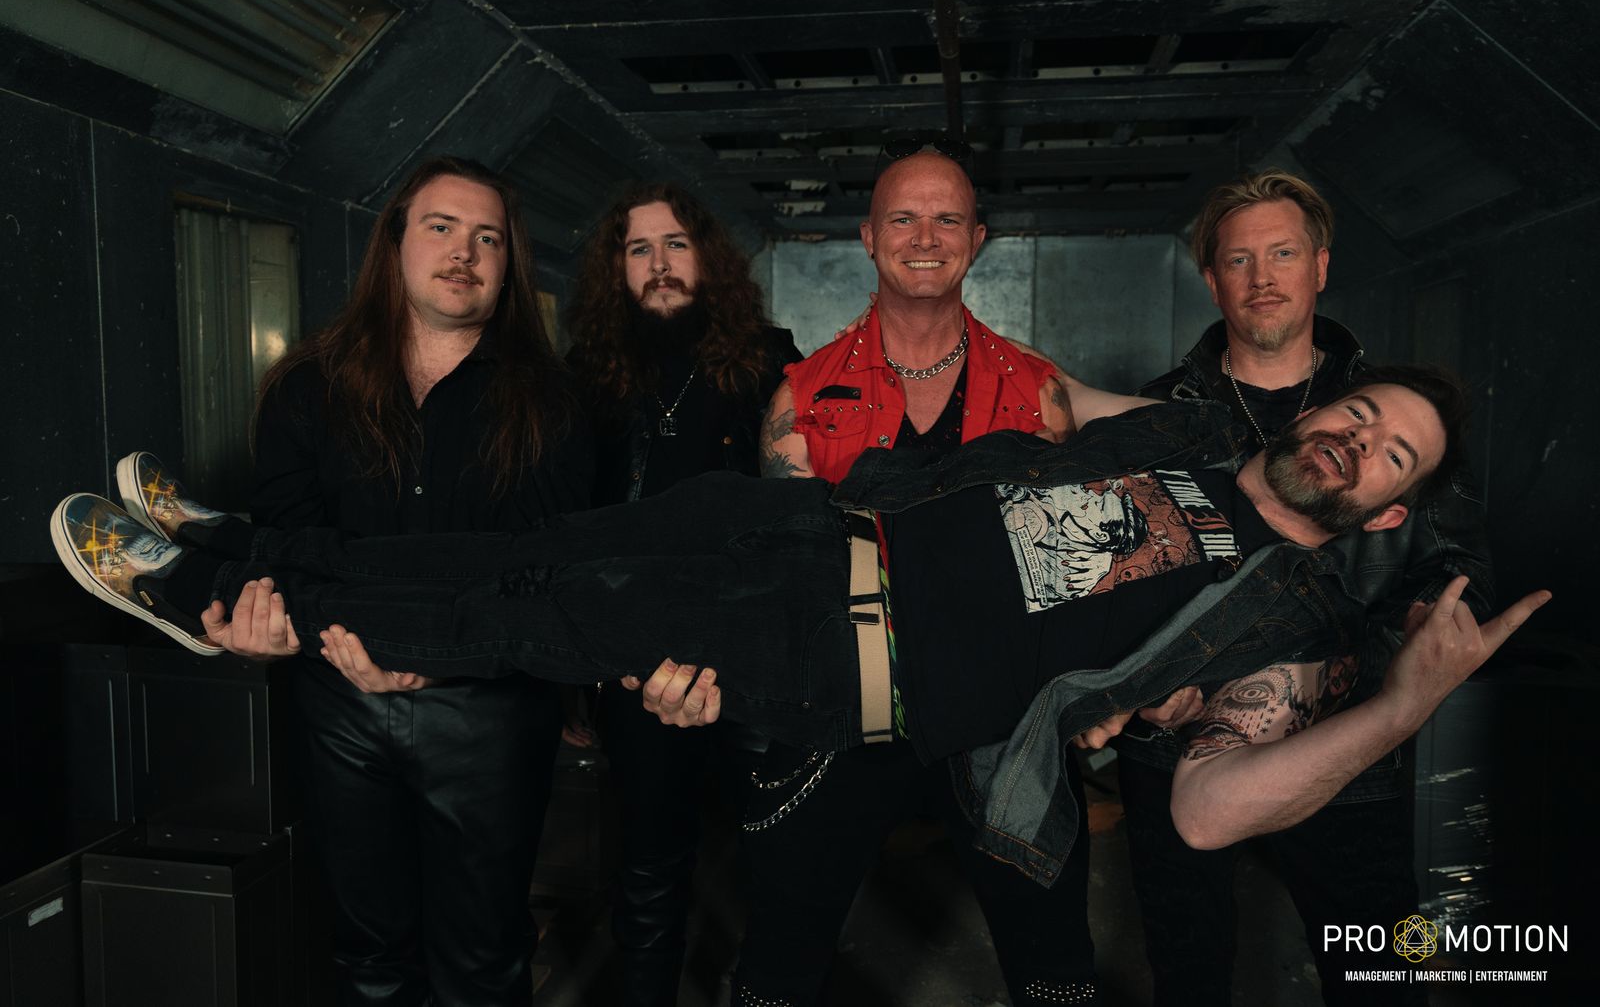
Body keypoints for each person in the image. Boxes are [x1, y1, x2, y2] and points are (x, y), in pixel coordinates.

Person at [52, 372, 1546, 911]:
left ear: (1387, 508)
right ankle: (246, 540)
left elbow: (1213, 810)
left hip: (837, 656)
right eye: (1361, 413)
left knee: (517, 616)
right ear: (1318, 408)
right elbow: (1041, 395)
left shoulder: (1293, 621)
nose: (1357, 441)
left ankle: (198, 602)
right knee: (513, 548)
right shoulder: (1192, 431)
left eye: (1393, 455)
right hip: (804, 524)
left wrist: (1406, 702)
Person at [742, 140, 1156, 1007]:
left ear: (976, 239)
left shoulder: (1038, 394)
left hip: (1003, 718)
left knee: (1055, 967)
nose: (925, 237)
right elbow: (783, 586)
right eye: (903, 217)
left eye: (947, 218)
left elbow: (1075, 570)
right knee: (779, 964)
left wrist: (1101, 684)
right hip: (846, 710)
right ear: (868, 237)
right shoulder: (801, 401)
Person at [177, 155, 591, 1005]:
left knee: (483, 963)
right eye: (441, 227)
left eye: (488, 238)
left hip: (488, 708)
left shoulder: (553, 402)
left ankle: (187, 545)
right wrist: (258, 624)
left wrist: (434, 656)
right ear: (395, 241)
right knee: (368, 961)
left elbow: (545, 572)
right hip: (340, 701)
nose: (464, 252)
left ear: (509, 264)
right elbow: (292, 545)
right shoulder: (307, 388)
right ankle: (184, 556)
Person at [1115, 169, 1493, 1006]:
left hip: (1346, 753)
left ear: (1320, 265)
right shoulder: (1162, 410)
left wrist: (1393, 654)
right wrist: (1144, 680)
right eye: (1239, 259)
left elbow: (1460, 572)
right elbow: (1121, 569)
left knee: (1380, 972)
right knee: (1188, 970)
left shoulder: (1397, 412)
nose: (1262, 277)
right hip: (1171, 741)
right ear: (1211, 279)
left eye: (1283, 253)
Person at [566, 182, 799, 1005]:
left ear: (707, 259)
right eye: (639, 248)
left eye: (676, 244)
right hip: (640, 660)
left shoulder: (770, 362)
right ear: (617, 269)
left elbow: (806, 509)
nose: (659, 263)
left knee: (780, 860)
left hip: (754, 653)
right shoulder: (586, 379)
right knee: (649, 866)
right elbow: (567, 530)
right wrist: (577, 669)